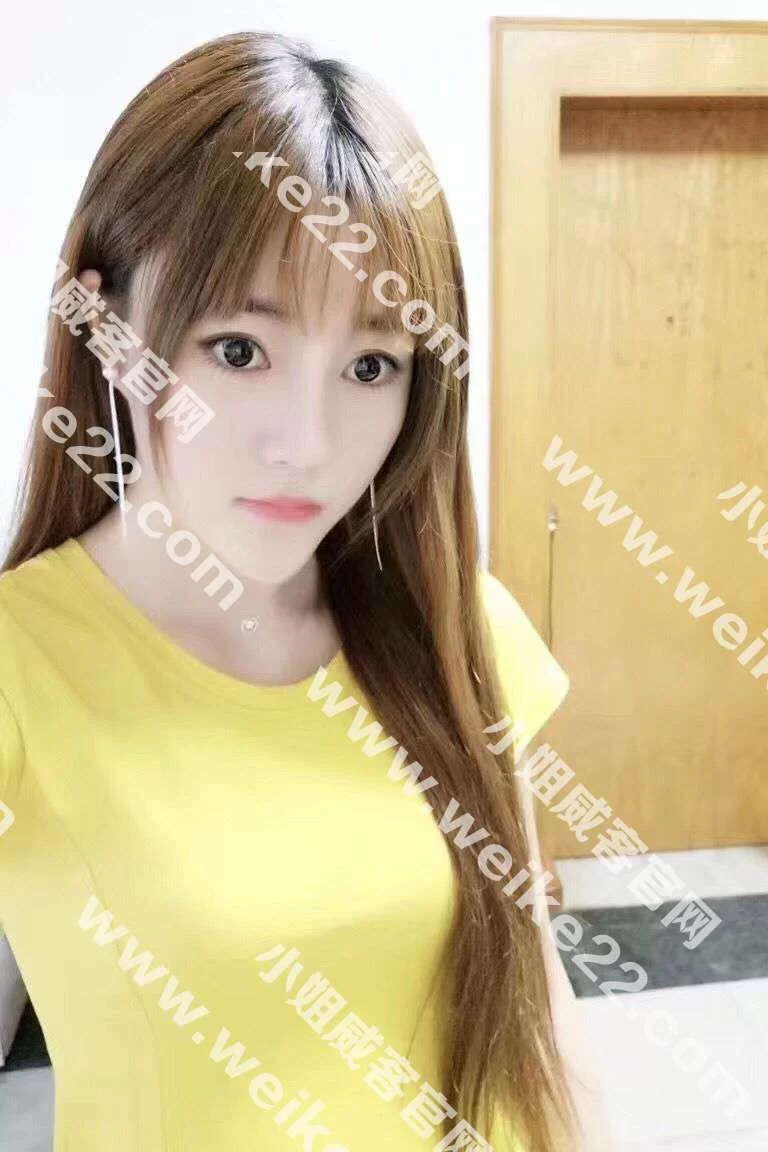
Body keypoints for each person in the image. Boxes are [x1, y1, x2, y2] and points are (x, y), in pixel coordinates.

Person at [0, 30, 611, 1152]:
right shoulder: (21, 664)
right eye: (240, 350)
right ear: (107, 328)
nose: (311, 444)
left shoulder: (456, 621)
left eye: (371, 366)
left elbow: (538, 1009)